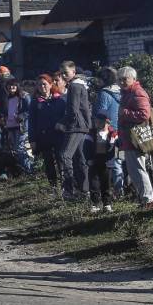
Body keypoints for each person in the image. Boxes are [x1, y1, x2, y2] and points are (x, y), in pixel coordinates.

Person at [117, 66, 153, 208]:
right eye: (119, 79)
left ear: (134, 79)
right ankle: (144, 198)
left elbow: (144, 114)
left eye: (125, 79)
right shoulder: (128, 93)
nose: (122, 82)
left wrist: (125, 112)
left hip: (137, 139)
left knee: (138, 169)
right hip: (130, 138)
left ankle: (148, 200)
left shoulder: (137, 92)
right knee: (134, 170)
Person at [55, 61, 92, 201]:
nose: (64, 76)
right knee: (80, 159)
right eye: (62, 73)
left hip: (75, 126)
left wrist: (62, 123)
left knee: (65, 155)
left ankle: (69, 190)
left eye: (66, 73)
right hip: (82, 125)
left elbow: (73, 109)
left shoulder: (75, 86)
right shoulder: (80, 84)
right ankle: (85, 190)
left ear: (74, 72)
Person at [29, 74, 66, 189]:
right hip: (44, 137)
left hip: (59, 136)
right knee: (48, 163)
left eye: (44, 84)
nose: (42, 87)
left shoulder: (59, 99)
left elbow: (65, 116)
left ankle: (65, 187)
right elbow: (31, 122)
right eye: (39, 85)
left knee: (62, 161)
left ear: (51, 84)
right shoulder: (35, 102)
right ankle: (54, 187)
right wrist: (32, 140)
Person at [92, 66, 124, 194]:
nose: (97, 82)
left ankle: (116, 191)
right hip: (121, 131)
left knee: (110, 162)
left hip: (108, 131)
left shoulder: (104, 94)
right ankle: (123, 188)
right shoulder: (120, 91)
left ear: (103, 79)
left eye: (98, 79)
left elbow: (101, 114)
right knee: (120, 161)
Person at [0, 78, 33, 174]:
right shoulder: (7, 98)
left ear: (18, 86)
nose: (11, 87)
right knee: (15, 150)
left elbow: (30, 110)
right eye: (9, 86)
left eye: (14, 85)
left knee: (21, 148)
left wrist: (21, 116)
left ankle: (29, 170)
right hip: (10, 127)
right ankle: (23, 171)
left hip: (21, 127)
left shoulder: (24, 96)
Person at [88, 113, 118, 213]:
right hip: (94, 162)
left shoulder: (113, 134)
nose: (99, 123)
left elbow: (115, 147)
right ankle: (95, 204)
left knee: (107, 184)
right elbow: (86, 147)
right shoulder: (91, 133)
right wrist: (89, 159)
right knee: (94, 184)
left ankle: (107, 204)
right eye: (97, 121)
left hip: (107, 163)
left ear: (108, 123)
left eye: (102, 121)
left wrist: (113, 140)